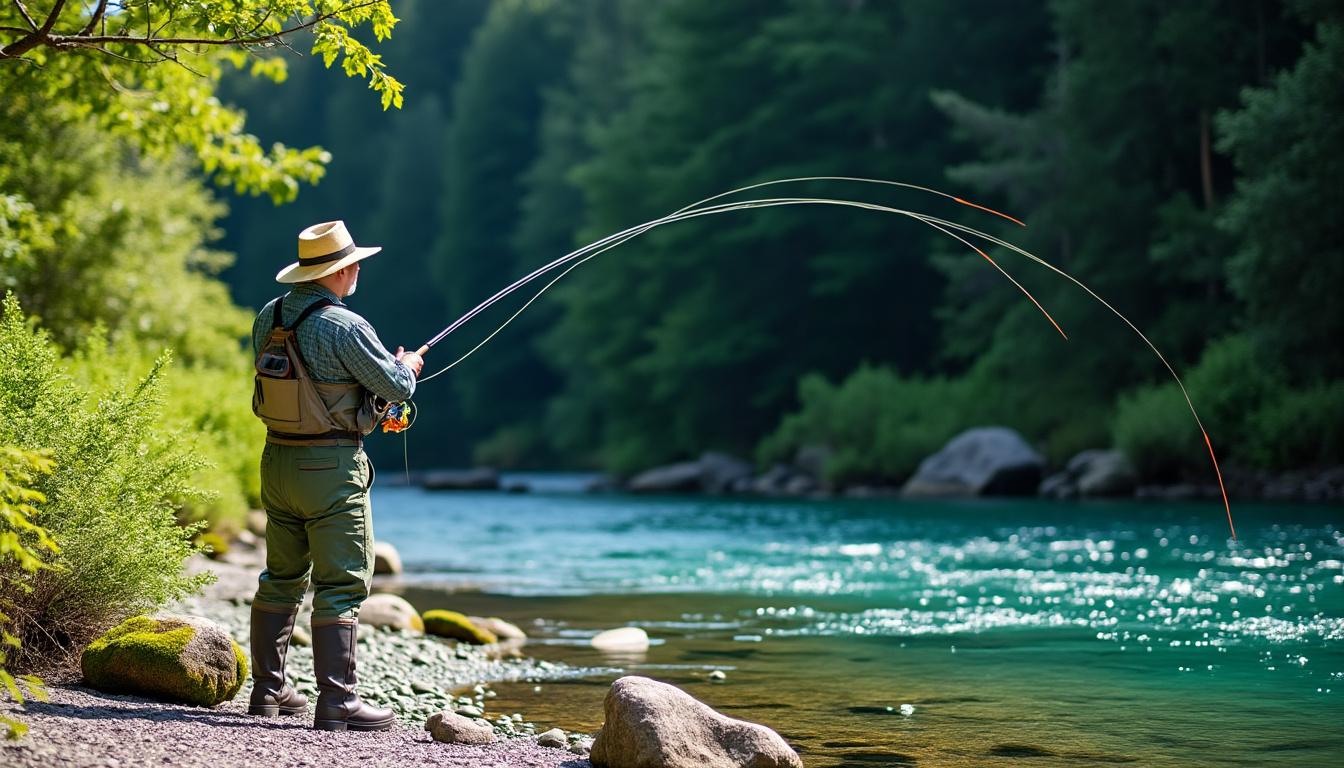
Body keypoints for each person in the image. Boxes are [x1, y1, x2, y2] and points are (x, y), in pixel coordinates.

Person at [246, 220, 424, 731]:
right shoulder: (345, 326)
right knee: (342, 584)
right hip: (331, 466)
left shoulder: (268, 316)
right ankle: (339, 701)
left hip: (276, 463)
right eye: (356, 263)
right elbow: (396, 386)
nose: (360, 269)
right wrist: (407, 365)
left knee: (280, 577)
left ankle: (268, 690)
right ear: (340, 270)